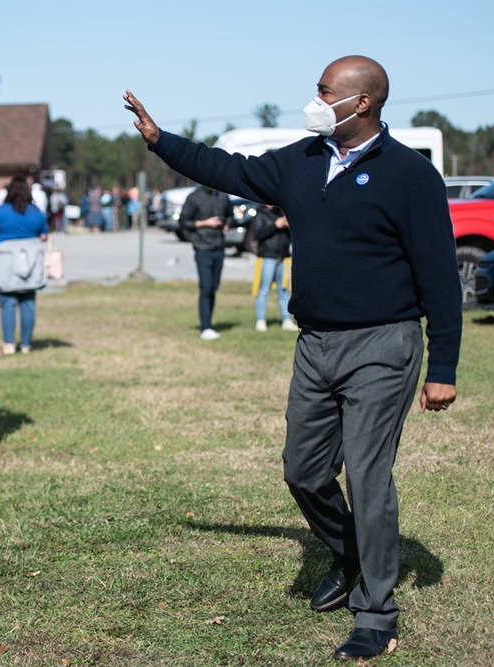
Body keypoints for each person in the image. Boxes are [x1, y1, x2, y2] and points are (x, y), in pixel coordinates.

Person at [125, 54, 462, 660]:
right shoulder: (302, 160)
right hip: (315, 343)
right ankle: (349, 551)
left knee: (366, 473)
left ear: (361, 103)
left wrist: (443, 367)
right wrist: (160, 141)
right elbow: (228, 168)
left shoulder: (410, 175)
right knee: (302, 470)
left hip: (383, 343)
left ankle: (377, 613)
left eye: (325, 90)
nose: (314, 98)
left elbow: (439, 275)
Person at [0, 175, 48, 355]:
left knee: (7, 302)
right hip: (31, 259)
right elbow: (44, 235)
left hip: (6, 260)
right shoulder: (36, 212)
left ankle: (9, 344)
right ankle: (26, 344)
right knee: (28, 302)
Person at [179, 185, 233, 340]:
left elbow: (230, 214)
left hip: (219, 247)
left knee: (214, 288)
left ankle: (209, 323)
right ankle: (205, 327)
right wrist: (205, 223)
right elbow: (183, 222)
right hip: (203, 248)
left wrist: (227, 224)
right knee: (206, 287)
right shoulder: (194, 197)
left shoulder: (222, 196)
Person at [251, 206, 296, 332]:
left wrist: (289, 224)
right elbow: (257, 233)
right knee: (264, 289)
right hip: (267, 256)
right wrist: (275, 225)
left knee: (284, 290)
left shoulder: (282, 212)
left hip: (283, 256)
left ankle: (286, 319)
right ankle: (261, 319)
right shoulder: (260, 213)